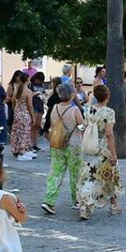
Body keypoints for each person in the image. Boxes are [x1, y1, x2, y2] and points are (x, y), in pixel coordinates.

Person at [76, 85, 123, 220]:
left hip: (91, 147)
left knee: (89, 175)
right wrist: (113, 153)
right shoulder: (109, 112)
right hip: (104, 148)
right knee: (110, 174)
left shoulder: (88, 110)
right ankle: (110, 205)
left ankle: (86, 204)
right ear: (107, 96)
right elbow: (109, 133)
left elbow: (83, 127)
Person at [41, 84, 83, 215]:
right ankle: (76, 200)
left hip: (57, 143)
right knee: (76, 174)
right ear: (71, 95)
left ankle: (49, 200)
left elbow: (53, 124)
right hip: (73, 145)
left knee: (55, 173)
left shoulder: (55, 108)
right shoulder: (74, 109)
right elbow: (82, 125)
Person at [10, 73, 36, 161]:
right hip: (25, 114)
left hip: (17, 113)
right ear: (28, 80)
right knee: (25, 132)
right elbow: (30, 106)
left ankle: (18, 149)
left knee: (17, 132)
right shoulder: (28, 92)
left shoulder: (16, 90)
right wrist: (33, 116)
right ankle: (22, 151)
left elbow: (13, 103)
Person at [29, 72, 46, 152]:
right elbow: (29, 95)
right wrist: (36, 93)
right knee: (33, 125)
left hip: (40, 105)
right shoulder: (31, 84)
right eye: (38, 80)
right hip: (34, 105)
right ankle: (31, 144)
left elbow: (44, 93)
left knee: (37, 126)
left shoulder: (41, 85)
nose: (39, 82)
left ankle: (35, 144)